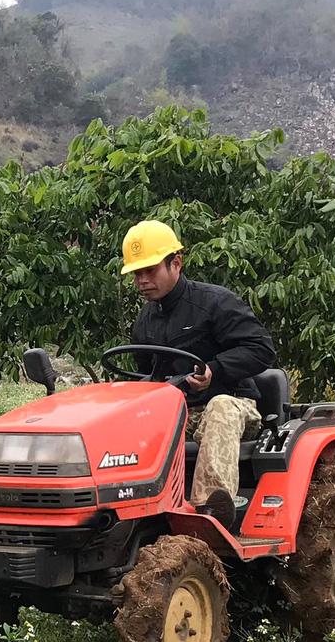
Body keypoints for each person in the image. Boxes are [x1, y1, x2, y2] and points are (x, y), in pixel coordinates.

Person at [117, 219, 278, 525]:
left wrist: (214, 371)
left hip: (234, 405)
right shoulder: (145, 320)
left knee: (220, 407)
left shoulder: (215, 302)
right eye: (137, 273)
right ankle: (130, 512)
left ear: (175, 263)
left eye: (150, 270)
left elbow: (261, 349)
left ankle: (209, 512)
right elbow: (144, 375)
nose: (142, 280)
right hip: (178, 413)